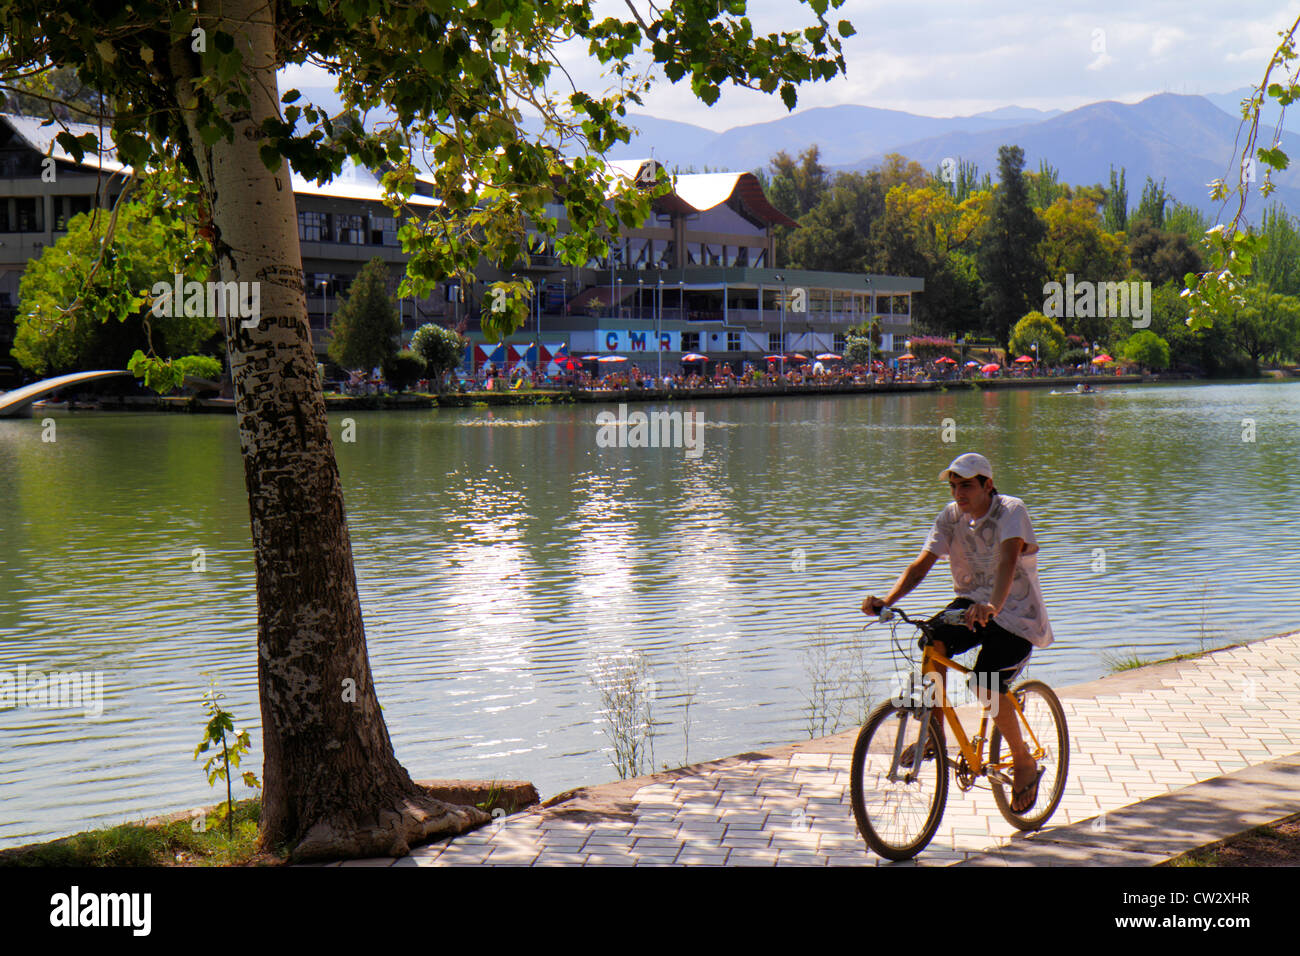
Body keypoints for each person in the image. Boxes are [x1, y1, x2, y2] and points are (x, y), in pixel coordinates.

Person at [861, 452, 1053, 813]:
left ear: (988, 485)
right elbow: (920, 566)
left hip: (1016, 615)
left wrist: (994, 606)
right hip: (971, 606)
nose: (958, 493)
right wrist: (886, 602)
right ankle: (935, 732)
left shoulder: (1011, 511)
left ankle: (1024, 760)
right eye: (953, 486)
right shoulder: (951, 517)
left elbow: (1008, 562)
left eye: (966, 485)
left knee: (985, 683)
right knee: (933, 639)